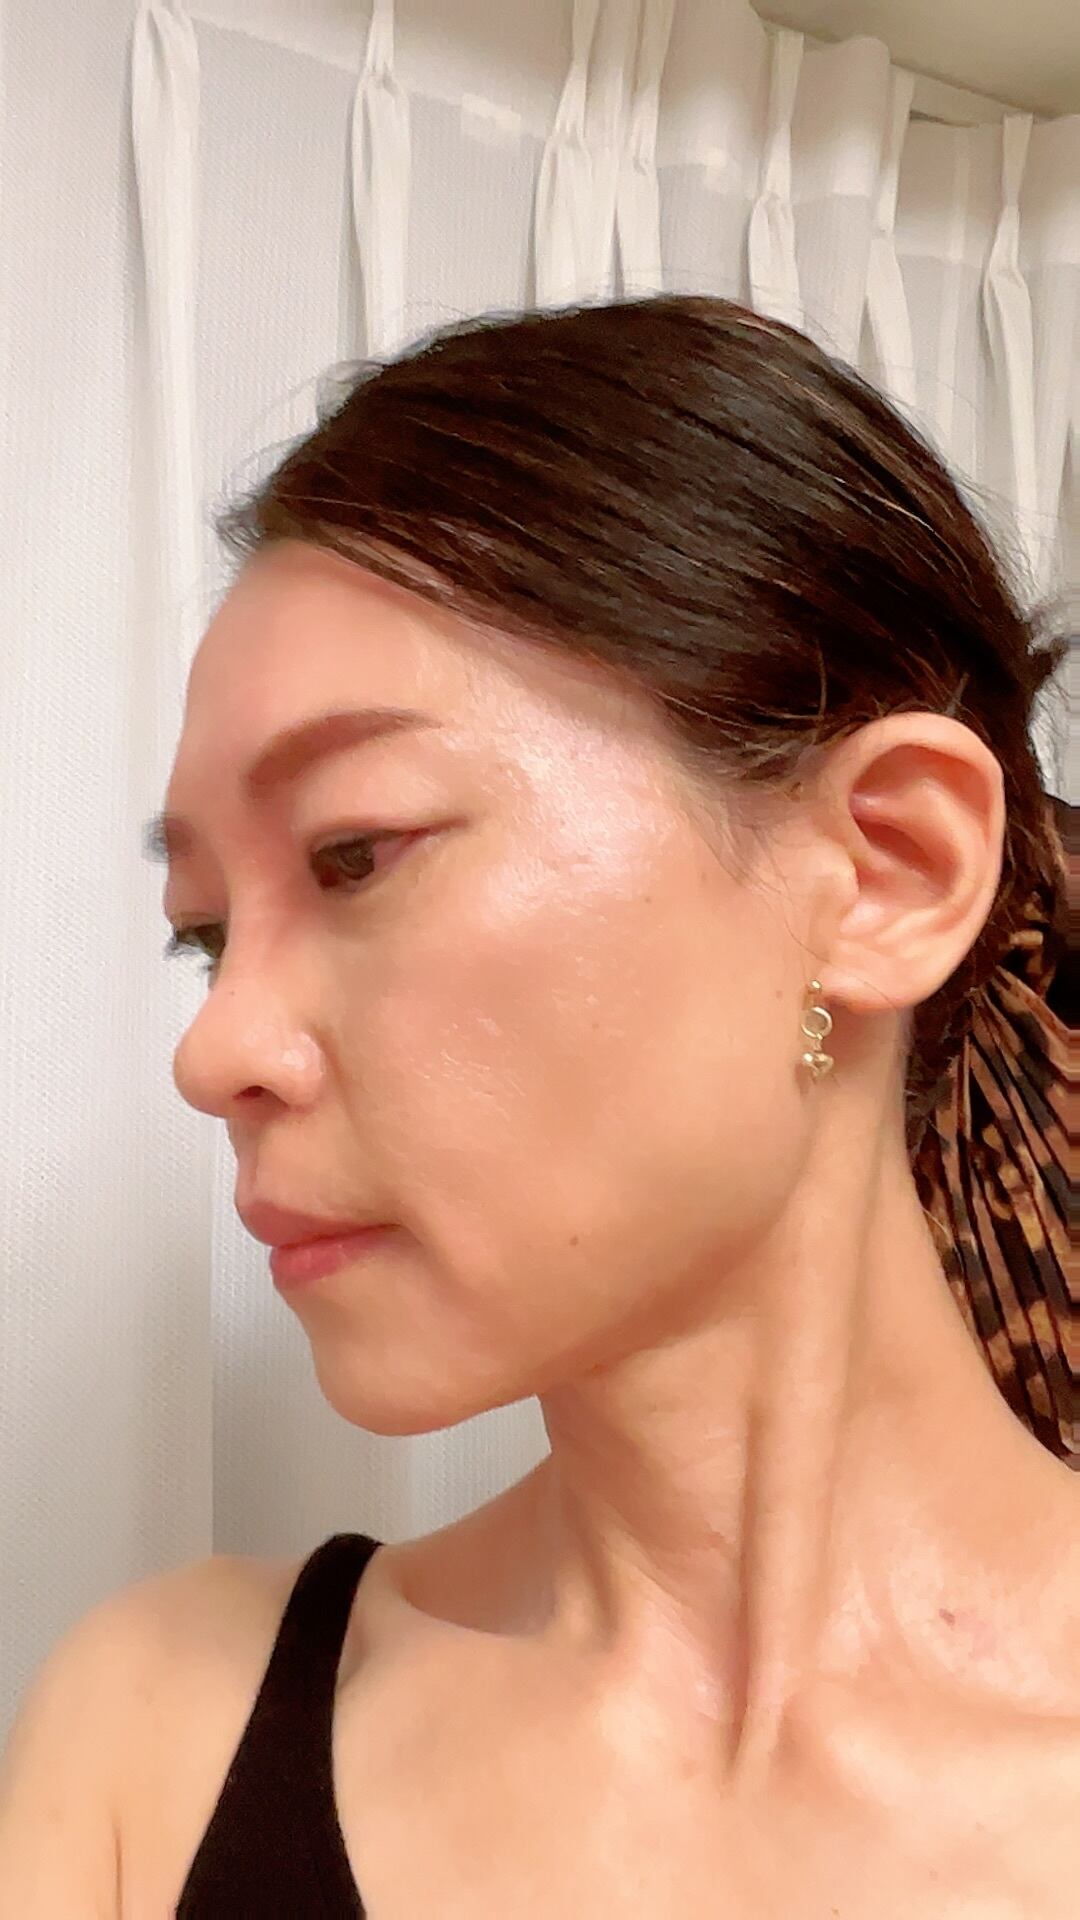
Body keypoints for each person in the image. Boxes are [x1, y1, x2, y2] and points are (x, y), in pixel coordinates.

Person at [0, 294, 1075, 1916]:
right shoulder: (158, 1742)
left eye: (355, 855)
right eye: (207, 935)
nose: (214, 1052)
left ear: (885, 872)